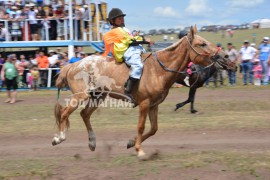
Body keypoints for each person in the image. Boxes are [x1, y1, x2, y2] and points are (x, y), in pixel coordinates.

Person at [102, 8, 152, 103]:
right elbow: (129, 41)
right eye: (119, 18)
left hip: (134, 48)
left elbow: (132, 38)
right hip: (126, 51)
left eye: (122, 18)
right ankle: (128, 91)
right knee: (138, 65)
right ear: (113, 21)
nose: (122, 20)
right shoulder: (115, 31)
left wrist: (140, 37)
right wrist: (144, 40)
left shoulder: (124, 29)